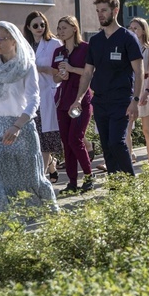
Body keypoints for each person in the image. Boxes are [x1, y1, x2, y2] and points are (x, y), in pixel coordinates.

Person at [0, 21, 58, 231]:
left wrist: (17, 126)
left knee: (29, 180)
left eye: (1, 38)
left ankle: (38, 224)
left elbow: (34, 100)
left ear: (14, 41)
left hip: (21, 129)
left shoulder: (26, 66)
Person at [69, 0, 146, 175]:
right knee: (106, 145)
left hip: (121, 100)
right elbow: (87, 72)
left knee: (116, 142)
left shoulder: (128, 38)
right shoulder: (95, 41)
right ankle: (115, 186)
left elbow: (139, 71)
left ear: (115, 10)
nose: (100, 14)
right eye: (97, 11)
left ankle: (130, 181)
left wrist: (135, 100)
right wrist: (79, 99)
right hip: (101, 100)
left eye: (104, 10)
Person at [51, 16, 94, 194]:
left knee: (75, 139)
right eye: (58, 28)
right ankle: (72, 183)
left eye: (64, 28)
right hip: (63, 102)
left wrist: (71, 69)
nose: (60, 31)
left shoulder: (85, 48)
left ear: (74, 28)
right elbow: (54, 77)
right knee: (66, 143)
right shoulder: (58, 51)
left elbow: (90, 72)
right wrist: (62, 74)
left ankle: (89, 176)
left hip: (80, 101)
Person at [23, 11, 62, 183]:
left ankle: (41, 179)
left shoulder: (54, 43)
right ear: (28, 28)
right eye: (36, 25)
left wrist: (45, 69)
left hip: (47, 94)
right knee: (35, 138)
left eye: (43, 24)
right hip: (30, 96)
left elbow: (61, 70)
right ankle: (51, 165)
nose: (40, 28)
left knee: (45, 138)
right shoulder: (25, 46)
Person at [126, 18, 149, 165]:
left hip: (146, 87)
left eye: (136, 28)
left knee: (147, 129)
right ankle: (129, 157)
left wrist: (146, 91)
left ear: (143, 30)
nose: (133, 30)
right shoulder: (127, 46)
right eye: (131, 28)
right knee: (126, 128)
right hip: (131, 89)